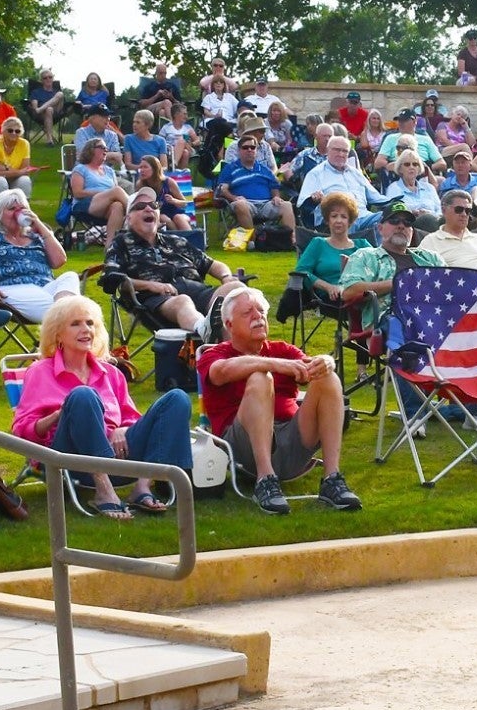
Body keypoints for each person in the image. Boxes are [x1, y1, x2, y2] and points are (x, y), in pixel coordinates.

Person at [12, 294, 193, 520]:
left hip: (120, 456)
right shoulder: (39, 372)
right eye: (75, 324)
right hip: (70, 460)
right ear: (57, 334)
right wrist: (60, 414)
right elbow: (21, 431)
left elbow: (131, 418)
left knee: (177, 399)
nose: (86, 329)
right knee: (82, 395)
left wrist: (121, 429)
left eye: (90, 323)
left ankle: (143, 486)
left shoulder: (112, 374)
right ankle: (103, 490)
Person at [199, 290, 361, 515]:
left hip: (292, 441)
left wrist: (326, 361)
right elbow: (220, 372)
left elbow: (310, 366)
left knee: (327, 377)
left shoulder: (282, 349)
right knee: (260, 377)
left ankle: (331, 479)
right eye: (247, 312)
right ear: (229, 324)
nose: (258, 316)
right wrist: (275, 365)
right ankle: (265, 479)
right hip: (243, 448)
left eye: (261, 311)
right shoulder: (215, 354)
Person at [105, 190, 240, 338]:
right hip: (157, 300)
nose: (148, 208)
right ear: (128, 218)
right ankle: (204, 330)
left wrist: (226, 276)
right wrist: (151, 285)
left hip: (199, 292)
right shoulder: (121, 244)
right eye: (140, 206)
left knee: (235, 288)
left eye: (153, 205)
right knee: (182, 301)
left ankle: (241, 345)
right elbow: (113, 278)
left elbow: (211, 264)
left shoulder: (177, 241)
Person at [0, 190, 80, 322]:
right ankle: (69, 318)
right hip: (11, 288)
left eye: (22, 209)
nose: (18, 213)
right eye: (12, 209)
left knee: (70, 276)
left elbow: (59, 261)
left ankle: (66, 315)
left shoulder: (36, 235)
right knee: (69, 312)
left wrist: (40, 225)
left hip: (46, 286)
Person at [339, 204, 444, 327]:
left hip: (437, 318)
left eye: (407, 223)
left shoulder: (430, 258)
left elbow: (452, 285)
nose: (401, 226)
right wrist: (399, 282)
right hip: (391, 322)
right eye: (394, 221)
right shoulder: (366, 256)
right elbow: (348, 292)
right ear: (380, 228)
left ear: (412, 231)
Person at [294, 193, 366, 308]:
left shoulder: (362, 245)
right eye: (334, 216)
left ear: (350, 221)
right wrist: (328, 287)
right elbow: (301, 271)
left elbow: (378, 266)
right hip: (331, 297)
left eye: (343, 217)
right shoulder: (318, 244)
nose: (339, 220)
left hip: (363, 293)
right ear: (327, 220)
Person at [296, 135, 379, 232]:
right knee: (346, 219)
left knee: (384, 219)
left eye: (345, 151)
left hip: (364, 216)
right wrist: (313, 200)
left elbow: (377, 197)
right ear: (328, 150)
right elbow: (301, 203)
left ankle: (376, 242)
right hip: (336, 218)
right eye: (337, 150)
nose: (341, 154)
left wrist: (393, 204)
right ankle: (348, 242)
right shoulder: (316, 174)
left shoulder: (355, 173)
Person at [419, 188, 477, 274]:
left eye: (468, 211)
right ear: (444, 210)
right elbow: (420, 274)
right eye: (459, 209)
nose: (464, 214)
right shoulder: (430, 241)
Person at [215, 133, 289, 232]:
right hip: (245, 204)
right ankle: (252, 238)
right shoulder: (230, 168)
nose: (249, 150)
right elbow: (222, 190)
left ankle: (290, 239)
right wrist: (234, 198)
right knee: (240, 205)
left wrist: (276, 196)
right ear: (239, 151)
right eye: (245, 147)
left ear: (256, 151)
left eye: (252, 147)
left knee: (286, 205)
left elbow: (274, 186)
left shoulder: (265, 169)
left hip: (266, 205)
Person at [67, 137, 129, 238]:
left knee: (117, 206)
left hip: (107, 205)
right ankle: (135, 211)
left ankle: (110, 244)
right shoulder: (80, 169)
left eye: (106, 148)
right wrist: (102, 192)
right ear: (91, 150)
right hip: (85, 205)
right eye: (102, 147)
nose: (106, 150)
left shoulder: (109, 171)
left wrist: (108, 194)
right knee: (117, 190)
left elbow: (115, 195)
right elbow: (77, 193)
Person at [0, 117, 37, 197]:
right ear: (3, 131)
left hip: (14, 177)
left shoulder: (24, 144)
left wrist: (2, 170)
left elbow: (25, 170)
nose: (14, 133)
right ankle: (2, 204)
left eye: (17, 131)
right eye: (10, 130)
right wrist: (15, 171)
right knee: (1, 181)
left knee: (25, 180)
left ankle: (22, 204)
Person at [24, 69, 68, 144]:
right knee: (49, 109)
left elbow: (38, 110)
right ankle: (49, 140)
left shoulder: (56, 91)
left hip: (56, 113)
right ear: (41, 80)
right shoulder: (36, 92)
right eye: (45, 78)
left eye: (50, 77)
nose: (48, 79)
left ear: (53, 78)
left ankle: (42, 109)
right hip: (42, 115)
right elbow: (35, 108)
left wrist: (40, 109)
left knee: (60, 94)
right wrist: (41, 109)